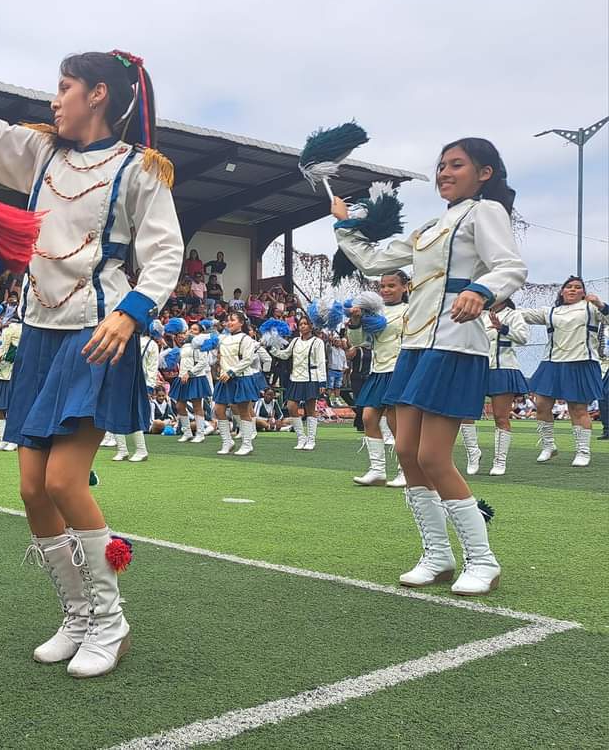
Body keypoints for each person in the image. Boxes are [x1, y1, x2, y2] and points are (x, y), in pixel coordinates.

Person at [0, 49, 181, 677]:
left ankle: (111, 622)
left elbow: (165, 251)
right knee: (31, 489)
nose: (54, 99)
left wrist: (131, 313)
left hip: (97, 334)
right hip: (38, 330)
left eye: (65, 87)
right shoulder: (42, 151)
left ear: (98, 94)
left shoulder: (141, 169)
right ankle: (77, 615)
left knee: (63, 483)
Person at [332, 137, 525, 596]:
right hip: (416, 345)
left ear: (484, 173)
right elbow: (375, 260)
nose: (444, 172)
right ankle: (437, 556)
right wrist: (344, 226)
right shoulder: (430, 228)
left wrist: (480, 291)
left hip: (455, 344)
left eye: (456, 165)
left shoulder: (486, 212)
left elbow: (510, 266)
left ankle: (483, 560)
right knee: (406, 452)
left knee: (433, 457)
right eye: (441, 165)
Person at [521, 276, 608, 467]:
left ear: (583, 292)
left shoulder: (591, 308)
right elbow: (522, 315)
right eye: (569, 287)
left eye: (578, 287)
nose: (573, 289)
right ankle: (548, 446)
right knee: (541, 405)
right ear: (562, 291)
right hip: (552, 362)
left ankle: (583, 451)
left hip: (581, 361)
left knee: (578, 409)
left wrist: (600, 304)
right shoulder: (551, 311)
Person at [457, 300, 531, 476]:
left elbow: (523, 338)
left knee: (500, 417)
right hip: (477, 369)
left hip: (503, 368)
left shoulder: (514, 315)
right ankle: (473, 454)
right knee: (464, 414)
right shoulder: (478, 315)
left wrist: (502, 328)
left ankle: (499, 461)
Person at [348, 274, 409, 487]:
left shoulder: (409, 310)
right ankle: (377, 471)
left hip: (399, 369)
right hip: (378, 370)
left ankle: (406, 471)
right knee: (368, 418)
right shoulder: (374, 312)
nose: (385, 290)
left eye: (391, 285)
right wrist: (356, 320)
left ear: (405, 287)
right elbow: (357, 342)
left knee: (395, 422)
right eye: (382, 286)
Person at [268, 317, 327, 450]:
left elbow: (321, 362)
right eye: (300, 324)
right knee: (291, 406)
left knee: (310, 409)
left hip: (311, 378)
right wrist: (272, 348)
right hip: (296, 378)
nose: (303, 326)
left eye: (305, 324)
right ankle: (301, 437)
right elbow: (285, 355)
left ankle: (311, 440)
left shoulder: (317, 342)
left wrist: (322, 382)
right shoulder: (295, 341)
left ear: (310, 326)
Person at [113, 320, 163, 461]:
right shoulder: (148, 343)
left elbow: (152, 367)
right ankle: (127, 450)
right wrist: (149, 386)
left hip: (132, 381)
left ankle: (136, 450)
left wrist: (149, 387)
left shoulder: (148, 344)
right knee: (123, 413)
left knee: (128, 413)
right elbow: (152, 367)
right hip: (130, 381)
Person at [213, 311, 260, 456]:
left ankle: (247, 444)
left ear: (241, 323)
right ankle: (227, 442)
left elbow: (247, 360)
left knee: (243, 411)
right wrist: (221, 369)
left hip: (240, 378)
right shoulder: (223, 339)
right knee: (218, 409)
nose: (229, 323)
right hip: (225, 378)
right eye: (228, 320)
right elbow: (221, 358)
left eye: (233, 320)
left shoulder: (246, 339)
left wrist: (231, 372)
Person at [168, 320, 211, 443]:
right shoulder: (185, 345)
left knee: (197, 405)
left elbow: (203, 362)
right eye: (190, 329)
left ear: (200, 333)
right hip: (182, 377)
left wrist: (190, 373)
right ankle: (187, 432)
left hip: (195, 378)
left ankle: (200, 433)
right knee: (179, 405)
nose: (191, 331)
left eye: (195, 330)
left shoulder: (201, 345)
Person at [0, 304, 22, 452]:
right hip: (1, 375)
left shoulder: (21, 331)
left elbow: (14, 354)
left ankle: (14, 439)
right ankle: (3, 439)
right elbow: (1, 350)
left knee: (13, 409)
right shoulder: (5, 333)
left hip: (14, 376)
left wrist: (0, 358)